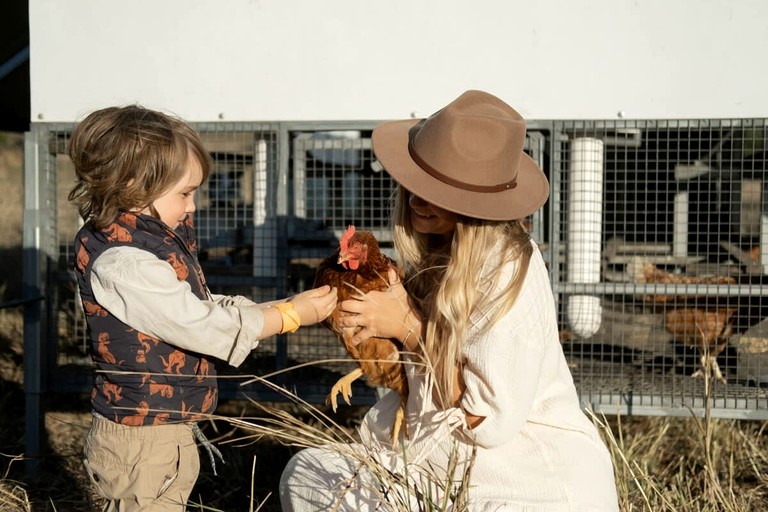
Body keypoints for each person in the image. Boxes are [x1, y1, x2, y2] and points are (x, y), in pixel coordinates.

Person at [279, 90, 619, 511]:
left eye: (439, 191)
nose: (418, 199)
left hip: (527, 481)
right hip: (450, 467)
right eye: (419, 183)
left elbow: (488, 423)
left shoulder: (508, 269)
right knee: (307, 474)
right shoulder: (442, 252)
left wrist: (407, 326)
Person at [68, 105, 338, 511]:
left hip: (162, 430)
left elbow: (193, 304)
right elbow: (198, 324)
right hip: (143, 439)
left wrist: (277, 307)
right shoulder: (125, 262)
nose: (193, 206)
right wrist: (288, 317)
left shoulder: (146, 240)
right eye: (185, 193)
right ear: (133, 185)